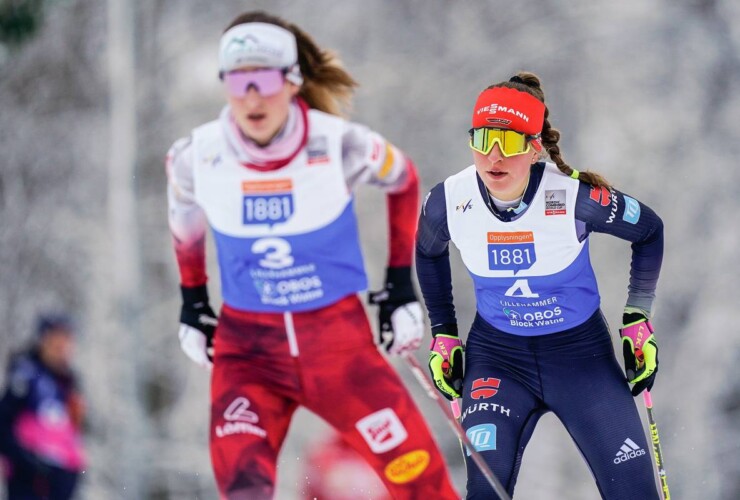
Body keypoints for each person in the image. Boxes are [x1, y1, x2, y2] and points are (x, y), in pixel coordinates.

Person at [165, 10, 459, 499]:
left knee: (423, 484)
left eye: (262, 79)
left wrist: (400, 286)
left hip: (338, 349)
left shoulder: (337, 142)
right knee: (244, 489)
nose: (252, 97)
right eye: (238, 82)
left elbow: (404, 179)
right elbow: (183, 214)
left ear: (293, 80)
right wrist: (193, 300)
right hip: (249, 357)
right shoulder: (197, 155)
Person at [417, 71, 664, 499]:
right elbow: (427, 252)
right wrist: (443, 334)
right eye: (482, 140)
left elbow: (648, 231)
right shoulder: (449, 200)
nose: (493, 157)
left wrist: (637, 317)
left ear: (534, 148)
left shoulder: (574, 197)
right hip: (497, 361)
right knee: (485, 490)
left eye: (509, 143)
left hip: (581, 360)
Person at [0, 314, 86, 500]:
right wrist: (28, 461)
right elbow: (3, 423)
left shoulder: (69, 382)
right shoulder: (26, 375)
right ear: (43, 341)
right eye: (56, 341)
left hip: (60, 481)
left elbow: (72, 431)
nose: (62, 348)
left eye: (66, 341)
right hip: (30, 483)